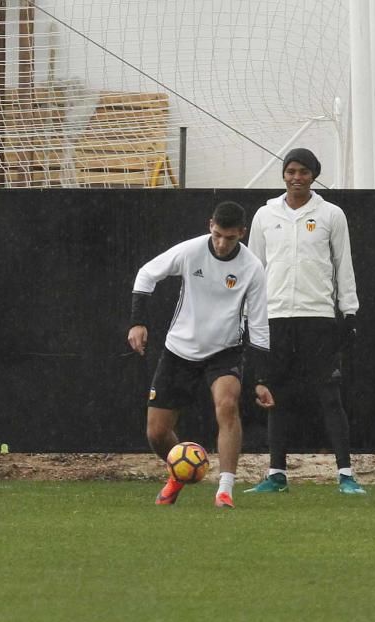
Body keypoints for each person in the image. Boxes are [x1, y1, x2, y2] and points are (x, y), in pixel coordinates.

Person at [128, 201, 275, 509]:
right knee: (156, 433)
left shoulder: (252, 268)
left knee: (227, 404)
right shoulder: (191, 251)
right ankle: (180, 473)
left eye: (230, 238)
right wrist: (138, 322)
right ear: (210, 225)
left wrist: (261, 380)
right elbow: (146, 275)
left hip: (225, 351)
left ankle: (225, 490)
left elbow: (259, 327)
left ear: (242, 234)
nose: (221, 244)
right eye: (218, 235)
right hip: (179, 350)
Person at [244, 148, 365, 495]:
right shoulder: (265, 215)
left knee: (329, 396)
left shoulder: (331, 215)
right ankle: (277, 473)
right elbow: (254, 268)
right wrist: (252, 314)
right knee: (275, 396)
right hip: (276, 317)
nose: (296, 178)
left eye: (304, 172)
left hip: (318, 318)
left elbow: (343, 264)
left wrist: (350, 310)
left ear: (314, 176)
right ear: (283, 175)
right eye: (291, 171)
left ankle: (345, 474)